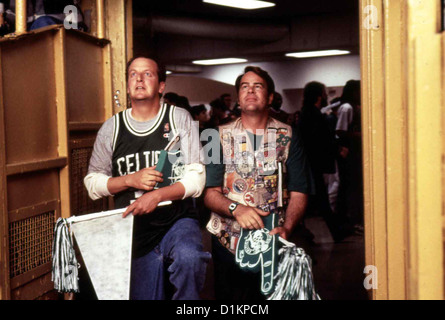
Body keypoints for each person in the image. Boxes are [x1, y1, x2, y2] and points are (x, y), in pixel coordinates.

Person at [84, 55, 211, 300]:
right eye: (133, 74)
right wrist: (130, 179)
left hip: (176, 220)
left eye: (148, 74)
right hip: (133, 230)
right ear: (128, 83)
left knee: (190, 257)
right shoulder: (112, 128)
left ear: (162, 86)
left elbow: (196, 180)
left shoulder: (179, 118)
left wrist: (157, 195)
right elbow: (92, 184)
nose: (139, 79)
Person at [203, 66, 312, 299]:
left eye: (258, 86)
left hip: (274, 238)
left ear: (270, 97)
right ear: (238, 98)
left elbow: (300, 191)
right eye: (244, 86)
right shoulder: (213, 136)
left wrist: (287, 229)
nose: (250, 90)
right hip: (227, 240)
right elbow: (209, 193)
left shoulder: (290, 135)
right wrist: (236, 208)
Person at [298, 81, 351, 242]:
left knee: (317, 199)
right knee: (320, 199)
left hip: (308, 162)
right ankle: (335, 232)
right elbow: (321, 138)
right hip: (313, 162)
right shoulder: (313, 114)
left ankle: (330, 232)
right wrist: (337, 150)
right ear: (320, 95)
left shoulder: (307, 112)